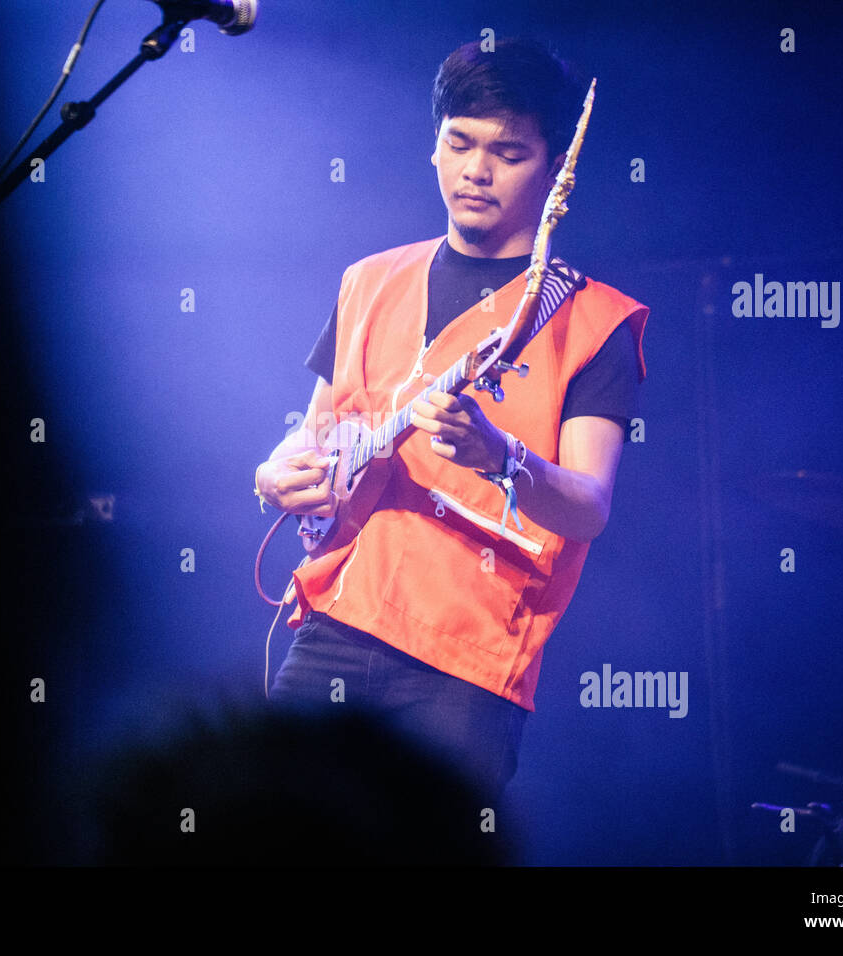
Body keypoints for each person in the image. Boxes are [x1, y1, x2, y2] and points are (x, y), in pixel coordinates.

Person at [253, 37, 649, 805]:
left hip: (466, 660)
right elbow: (319, 432)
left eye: (508, 151)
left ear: (556, 168)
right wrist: (272, 473)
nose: (476, 169)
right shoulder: (369, 279)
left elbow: (590, 507)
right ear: (433, 147)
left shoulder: (595, 320)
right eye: (458, 143)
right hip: (337, 619)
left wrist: (501, 456)